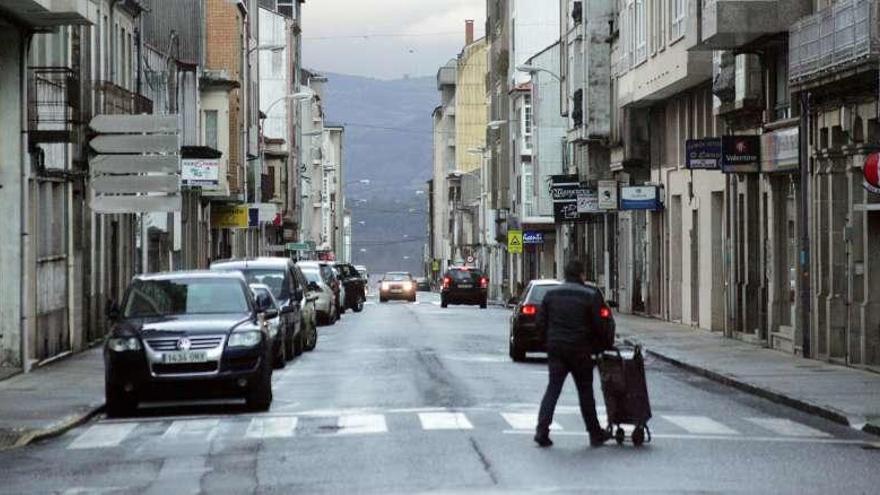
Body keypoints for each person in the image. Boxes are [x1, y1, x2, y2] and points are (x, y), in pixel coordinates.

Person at [534, 259, 612, 448]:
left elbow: (540, 322)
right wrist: (599, 348)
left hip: (557, 348)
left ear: (565, 274)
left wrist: (548, 341)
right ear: (582, 275)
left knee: (553, 389)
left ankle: (542, 430)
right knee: (586, 393)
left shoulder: (551, 295)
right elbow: (599, 326)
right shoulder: (590, 295)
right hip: (580, 350)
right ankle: (594, 433)